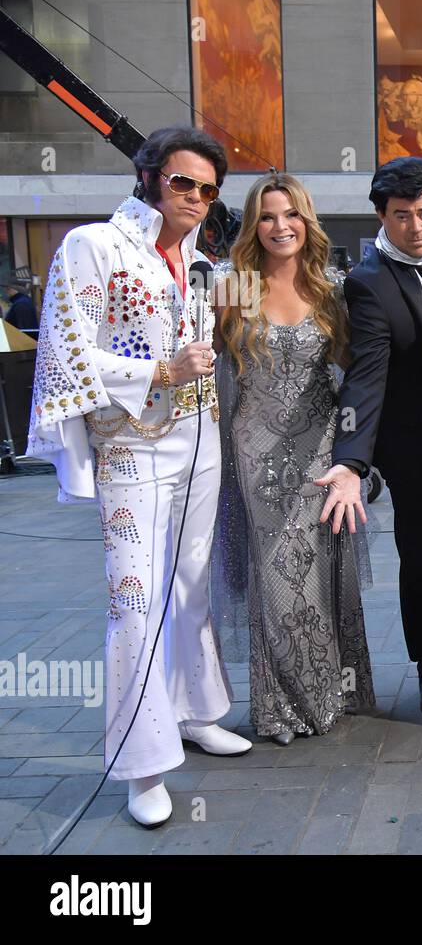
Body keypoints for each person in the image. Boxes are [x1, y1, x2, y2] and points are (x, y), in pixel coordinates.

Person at [26, 125, 251, 828]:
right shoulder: (92, 246)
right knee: (135, 600)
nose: (195, 197)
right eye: (184, 181)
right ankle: (139, 761)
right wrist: (159, 370)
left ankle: (194, 709)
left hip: (198, 439)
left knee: (190, 584)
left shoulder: (196, 258)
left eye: (208, 189)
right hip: (130, 446)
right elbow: (63, 357)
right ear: (149, 176)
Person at [212, 173, 375, 745]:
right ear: (253, 225)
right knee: (277, 579)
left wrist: (356, 457)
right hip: (255, 455)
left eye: (291, 215)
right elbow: (210, 371)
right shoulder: (231, 288)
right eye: (267, 216)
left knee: (324, 573)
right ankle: (282, 705)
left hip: (321, 454)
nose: (281, 227)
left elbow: (359, 375)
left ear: (307, 222)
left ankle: (333, 692)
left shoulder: (332, 289)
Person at [317, 157, 422, 722]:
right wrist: (352, 460)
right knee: (421, 561)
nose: (416, 227)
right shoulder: (369, 282)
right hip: (414, 450)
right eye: (401, 216)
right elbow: (366, 373)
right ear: (381, 215)